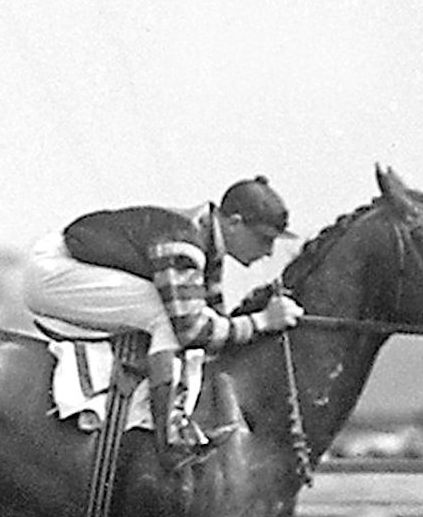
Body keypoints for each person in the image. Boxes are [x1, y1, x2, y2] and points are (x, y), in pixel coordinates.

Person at [20, 175, 304, 462]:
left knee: (169, 314)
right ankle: (169, 435)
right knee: (165, 318)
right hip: (53, 272)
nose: (268, 252)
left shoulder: (206, 241)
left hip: (66, 264)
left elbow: (214, 325)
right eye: (264, 239)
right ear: (235, 222)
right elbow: (192, 331)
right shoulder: (184, 244)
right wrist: (263, 321)